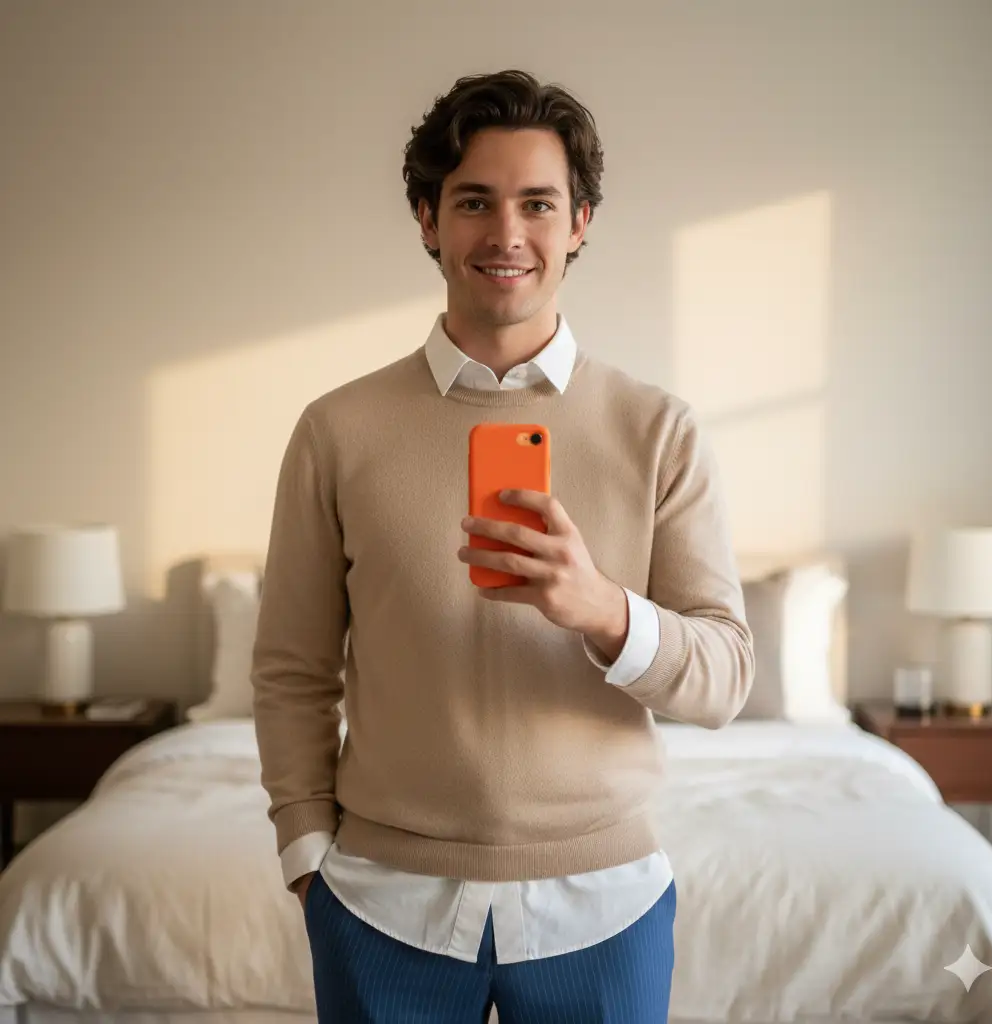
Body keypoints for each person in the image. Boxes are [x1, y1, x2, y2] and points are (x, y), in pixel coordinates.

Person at [251, 68, 754, 1024]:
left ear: (581, 223)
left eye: (538, 203)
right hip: (377, 905)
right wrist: (305, 855)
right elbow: (291, 669)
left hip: (606, 909)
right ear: (426, 218)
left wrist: (603, 610)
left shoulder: (659, 431)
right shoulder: (337, 430)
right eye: (474, 201)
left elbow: (726, 677)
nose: (507, 234)